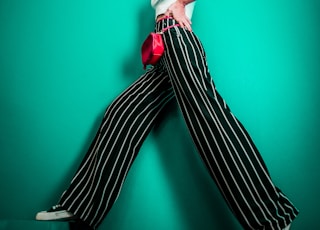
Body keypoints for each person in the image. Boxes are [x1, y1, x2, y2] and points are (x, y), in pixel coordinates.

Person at [35, 0, 299, 229]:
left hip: (176, 35)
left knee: (209, 118)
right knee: (122, 112)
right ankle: (81, 207)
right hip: (163, 44)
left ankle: (272, 217)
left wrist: (180, 4)